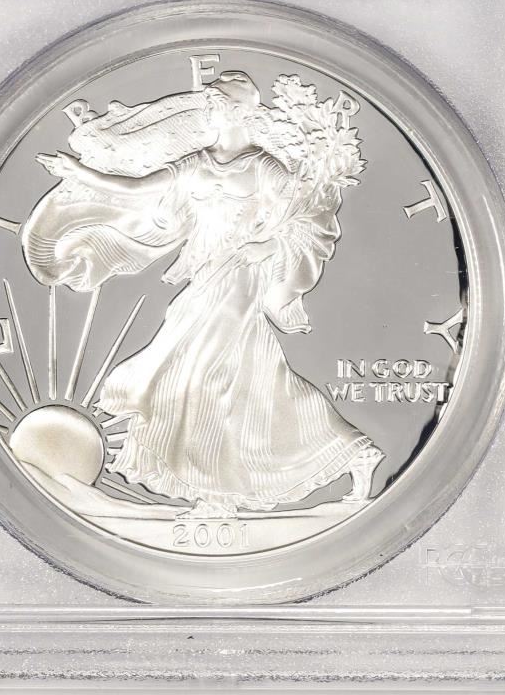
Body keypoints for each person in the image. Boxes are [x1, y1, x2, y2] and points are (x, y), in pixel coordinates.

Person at [22, 70, 381, 518]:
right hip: (208, 273)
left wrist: (267, 246)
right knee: (248, 377)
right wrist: (80, 172)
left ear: (239, 110)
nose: (208, 110)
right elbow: (139, 187)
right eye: (209, 102)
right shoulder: (197, 162)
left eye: (216, 103)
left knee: (205, 371)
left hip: (242, 274)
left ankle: (217, 494)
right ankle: (353, 453)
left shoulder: (264, 167)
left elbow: (304, 218)